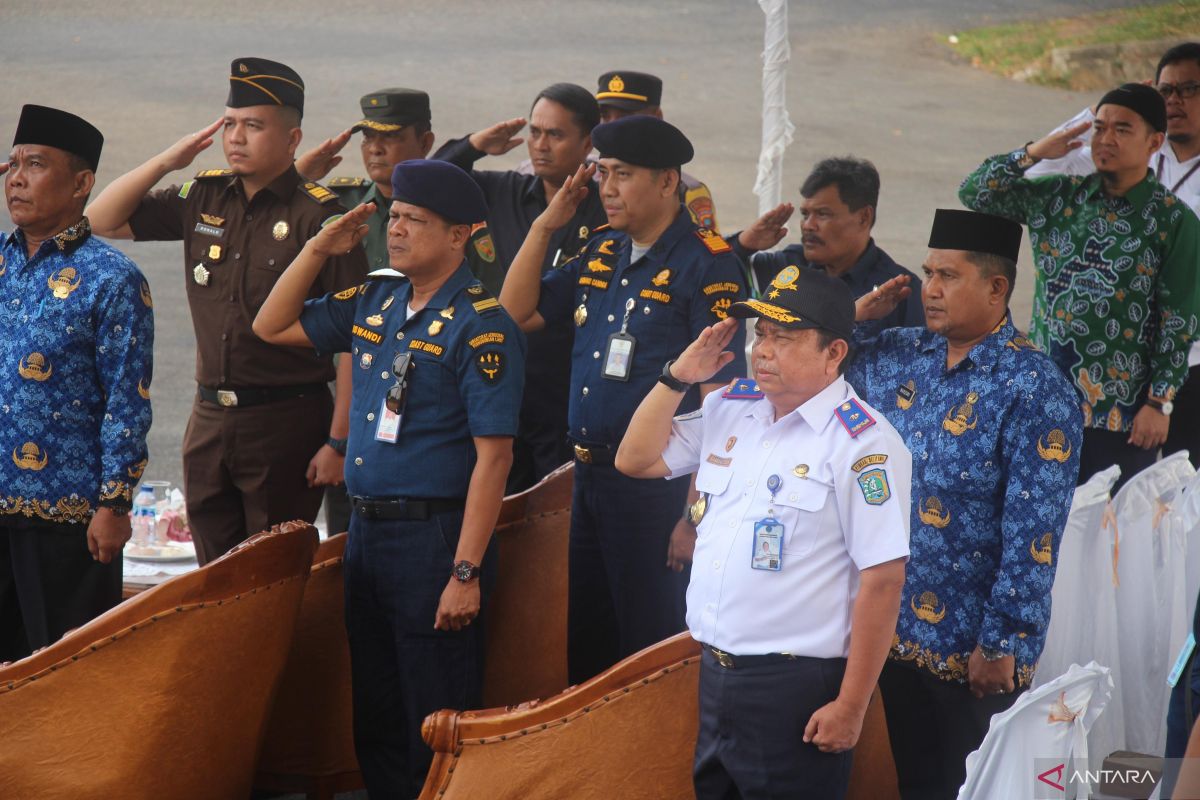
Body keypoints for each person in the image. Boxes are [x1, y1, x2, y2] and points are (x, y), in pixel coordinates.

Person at [253, 159, 524, 797]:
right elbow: (270, 324)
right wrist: (319, 245)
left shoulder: (481, 325)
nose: (395, 229)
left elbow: (495, 460)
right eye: (394, 216)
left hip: (434, 536)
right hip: (368, 532)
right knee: (375, 709)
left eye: (415, 220)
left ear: (460, 235)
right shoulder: (377, 296)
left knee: (433, 716)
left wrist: (465, 572)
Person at [615, 268, 910, 800]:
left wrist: (851, 705)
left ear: (834, 351)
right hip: (715, 673)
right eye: (761, 336)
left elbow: (884, 579)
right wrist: (676, 376)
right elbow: (634, 459)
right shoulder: (732, 408)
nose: (763, 352)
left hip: (795, 688)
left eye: (785, 338)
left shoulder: (863, 444)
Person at [85, 58, 368, 563]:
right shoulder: (205, 195)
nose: (235, 137)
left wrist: (339, 441)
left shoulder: (321, 216)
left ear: (292, 138)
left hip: (286, 420)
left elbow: (355, 338)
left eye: (254, 126)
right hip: (210, 418)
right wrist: (169, 160)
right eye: (230, 124)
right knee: (212, 575)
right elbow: (103, 218)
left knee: (272, 577)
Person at [498, 114, 749, 684]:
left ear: (667, 182)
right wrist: (543, 229)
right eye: (602, 172)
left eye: (623, 174)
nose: (606, 188)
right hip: (588, 478)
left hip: (656, 492)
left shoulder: (707, 263)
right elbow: (516, 313)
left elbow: (721, 406)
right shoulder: (604, 249)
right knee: (589, 642)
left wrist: (694, 514)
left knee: (645, 648)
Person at [851, 209, 1083, 799]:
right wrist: (852, 318)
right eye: (929, 273)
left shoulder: (1036, 386)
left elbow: (1036, 529)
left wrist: (1002, 641)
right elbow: (814, 363)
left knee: (961, 785)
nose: (930, 289)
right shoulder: (899, 353)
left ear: (997, 287)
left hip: (971, 651)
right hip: (887, 627)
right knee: (901, 779)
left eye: (948, 276)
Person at [960, 83, 1200, 489]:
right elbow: (976, 192)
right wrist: (1034, 152)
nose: (1105, 139)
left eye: (1122, 129)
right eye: (1100, 128)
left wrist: (1160, 403)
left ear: (1154, 142)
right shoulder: (1058, 198)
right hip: (1043, 400)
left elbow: (1180, 318)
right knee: (1036, 519)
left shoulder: (1173, 221)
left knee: (1109, 533)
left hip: (1121, 415)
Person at [0, 105, 153, 661]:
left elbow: (127, 403)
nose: (16, 179)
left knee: (63, 671)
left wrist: (115, 504)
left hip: (68, 516)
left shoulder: (112, 280)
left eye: (35, 165)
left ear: (82, 183)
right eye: (12, 165)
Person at [1026, 43, 1200, 468]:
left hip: (1191, 363)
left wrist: (1162, 400)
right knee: (1111, 503)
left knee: (1185, 498)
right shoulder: (1125, 149)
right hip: (1119, 367)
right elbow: (1035, 176)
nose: (1173, 100)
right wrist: (1099, 114)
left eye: (1189, 89)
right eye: (1164, 91)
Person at [435, 83, 607, 494]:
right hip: (495, 388)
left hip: (566, 397)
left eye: (556, 134)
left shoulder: (606, 209)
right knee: (496, 511)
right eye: (534, 131)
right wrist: (474, 145)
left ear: (587, 144)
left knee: (554, 519)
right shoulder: (503, 191)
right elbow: (434, 181)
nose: (540, 145)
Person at [295, 87, 504, 293]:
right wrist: (299, 174)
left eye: (390, 137)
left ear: (425, 142)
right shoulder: (343, 203)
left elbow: (488, 297)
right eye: (368, 137)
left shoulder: (452, 214)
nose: (375, 148)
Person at [729, 156, 925, 333]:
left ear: (864, 217)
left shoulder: (898, 292)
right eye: (805, 214)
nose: (808, 225)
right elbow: (715, 281)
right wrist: (743, 244)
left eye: (823, 214)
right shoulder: (791, 269)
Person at [515, 71, 722, 233]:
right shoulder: (538, 172)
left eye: (625, 116)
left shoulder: (684, 188)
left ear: (656, 116)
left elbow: (706, 254)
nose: (612, 127)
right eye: (604, 116)